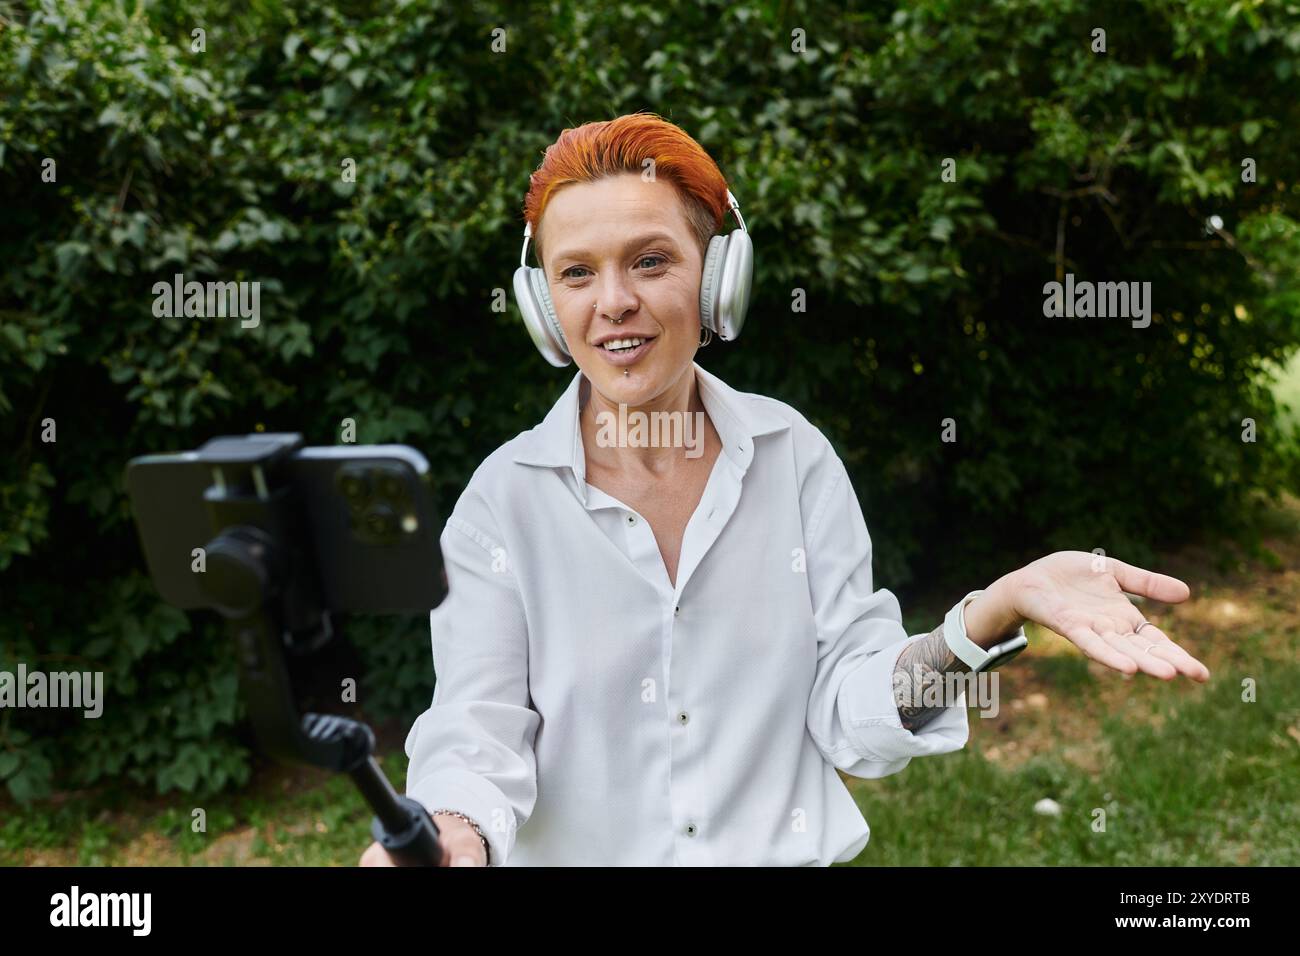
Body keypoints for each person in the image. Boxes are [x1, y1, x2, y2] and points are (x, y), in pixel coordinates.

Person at [360, 112, 1208, 867]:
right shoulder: (502, 500)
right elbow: (479, 728)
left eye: (650, 261)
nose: (612, 302)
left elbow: (849, 708)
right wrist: (454, 830)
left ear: (720, 277)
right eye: (576, 274)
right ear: (544, 306)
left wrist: (988, 614)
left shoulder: (794, 457)